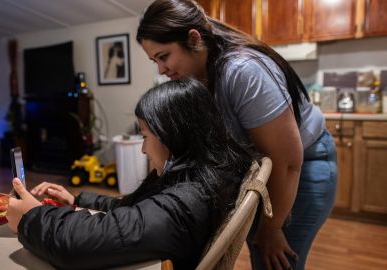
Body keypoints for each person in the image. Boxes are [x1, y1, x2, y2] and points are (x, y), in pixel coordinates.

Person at [136, 1, 337, 269]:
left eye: (164, 56)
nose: (161, 69)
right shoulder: (197, 75)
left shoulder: (243, 71)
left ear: (194, 39)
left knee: (271, 259)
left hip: (301, 169)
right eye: (155, 61)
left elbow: (287, 162)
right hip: (265, 172)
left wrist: (272, 228)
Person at [6, 78, 254, 270]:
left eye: (145, 136)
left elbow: (77, 244)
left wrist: (30, 218)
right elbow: (139, 214)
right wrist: (78, 200)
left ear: (173, 135)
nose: (144, 149)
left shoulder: (185, 204)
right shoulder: (204, 177)